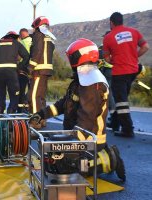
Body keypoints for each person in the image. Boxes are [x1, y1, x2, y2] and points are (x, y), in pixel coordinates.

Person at [29, 38, 126, 181]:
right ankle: (87, 157)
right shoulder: (80, 81)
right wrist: (41, 114)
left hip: (90, 141)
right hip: (77, 136)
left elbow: (87, 119)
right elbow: (63, 104)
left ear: (80, 57)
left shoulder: (93, 84)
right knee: (52, 159)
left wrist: (68, 144)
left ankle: (109, 159)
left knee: (64, 167)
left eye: (72, 57)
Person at [103, 12, 149, 137]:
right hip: (133, 71)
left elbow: (107, 58)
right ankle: (115, 123)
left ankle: (127, 129)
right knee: (121, 97)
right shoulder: (134, 32)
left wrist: (115, 60)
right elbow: (145, 47)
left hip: (119, 72)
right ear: (122, 21)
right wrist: (134, 57)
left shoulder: (108, 37)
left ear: (111, 23)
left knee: (121, 102)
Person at [0, 31, 29, 114]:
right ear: (14, 37)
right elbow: (26, 56)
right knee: (14, 95)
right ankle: (11, 114)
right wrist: (19, 67)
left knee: (0, 95)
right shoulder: (16, 43)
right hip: (12, 73)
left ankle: (0, 114)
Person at [28, 16, 55, 128]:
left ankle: (35, 121)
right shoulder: (50, 36)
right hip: (46, 71)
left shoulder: (38, 35)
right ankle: (42, 119)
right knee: (41, 97)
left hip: (38, 70)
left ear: (37, 26)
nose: (33, 30)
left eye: (34, 28)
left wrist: (30, 67)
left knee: (33, 97)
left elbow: (37, 52)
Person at [98, 31, 115, 123]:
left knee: (108, 94)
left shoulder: (102, 47)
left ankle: (113, 117)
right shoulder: (115, 46)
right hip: (116, 72)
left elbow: (98, 60)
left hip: (106, 72)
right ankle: (114, 116)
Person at [17, 28, 32, 113]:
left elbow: (19, 56)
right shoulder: (33, 41)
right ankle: (28, 105)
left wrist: (18, 66)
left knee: (21, 89)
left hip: (24, 68)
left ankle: (21, 108)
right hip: (34, 68)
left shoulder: (22, 42)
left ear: (21, 35)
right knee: (31, 88)